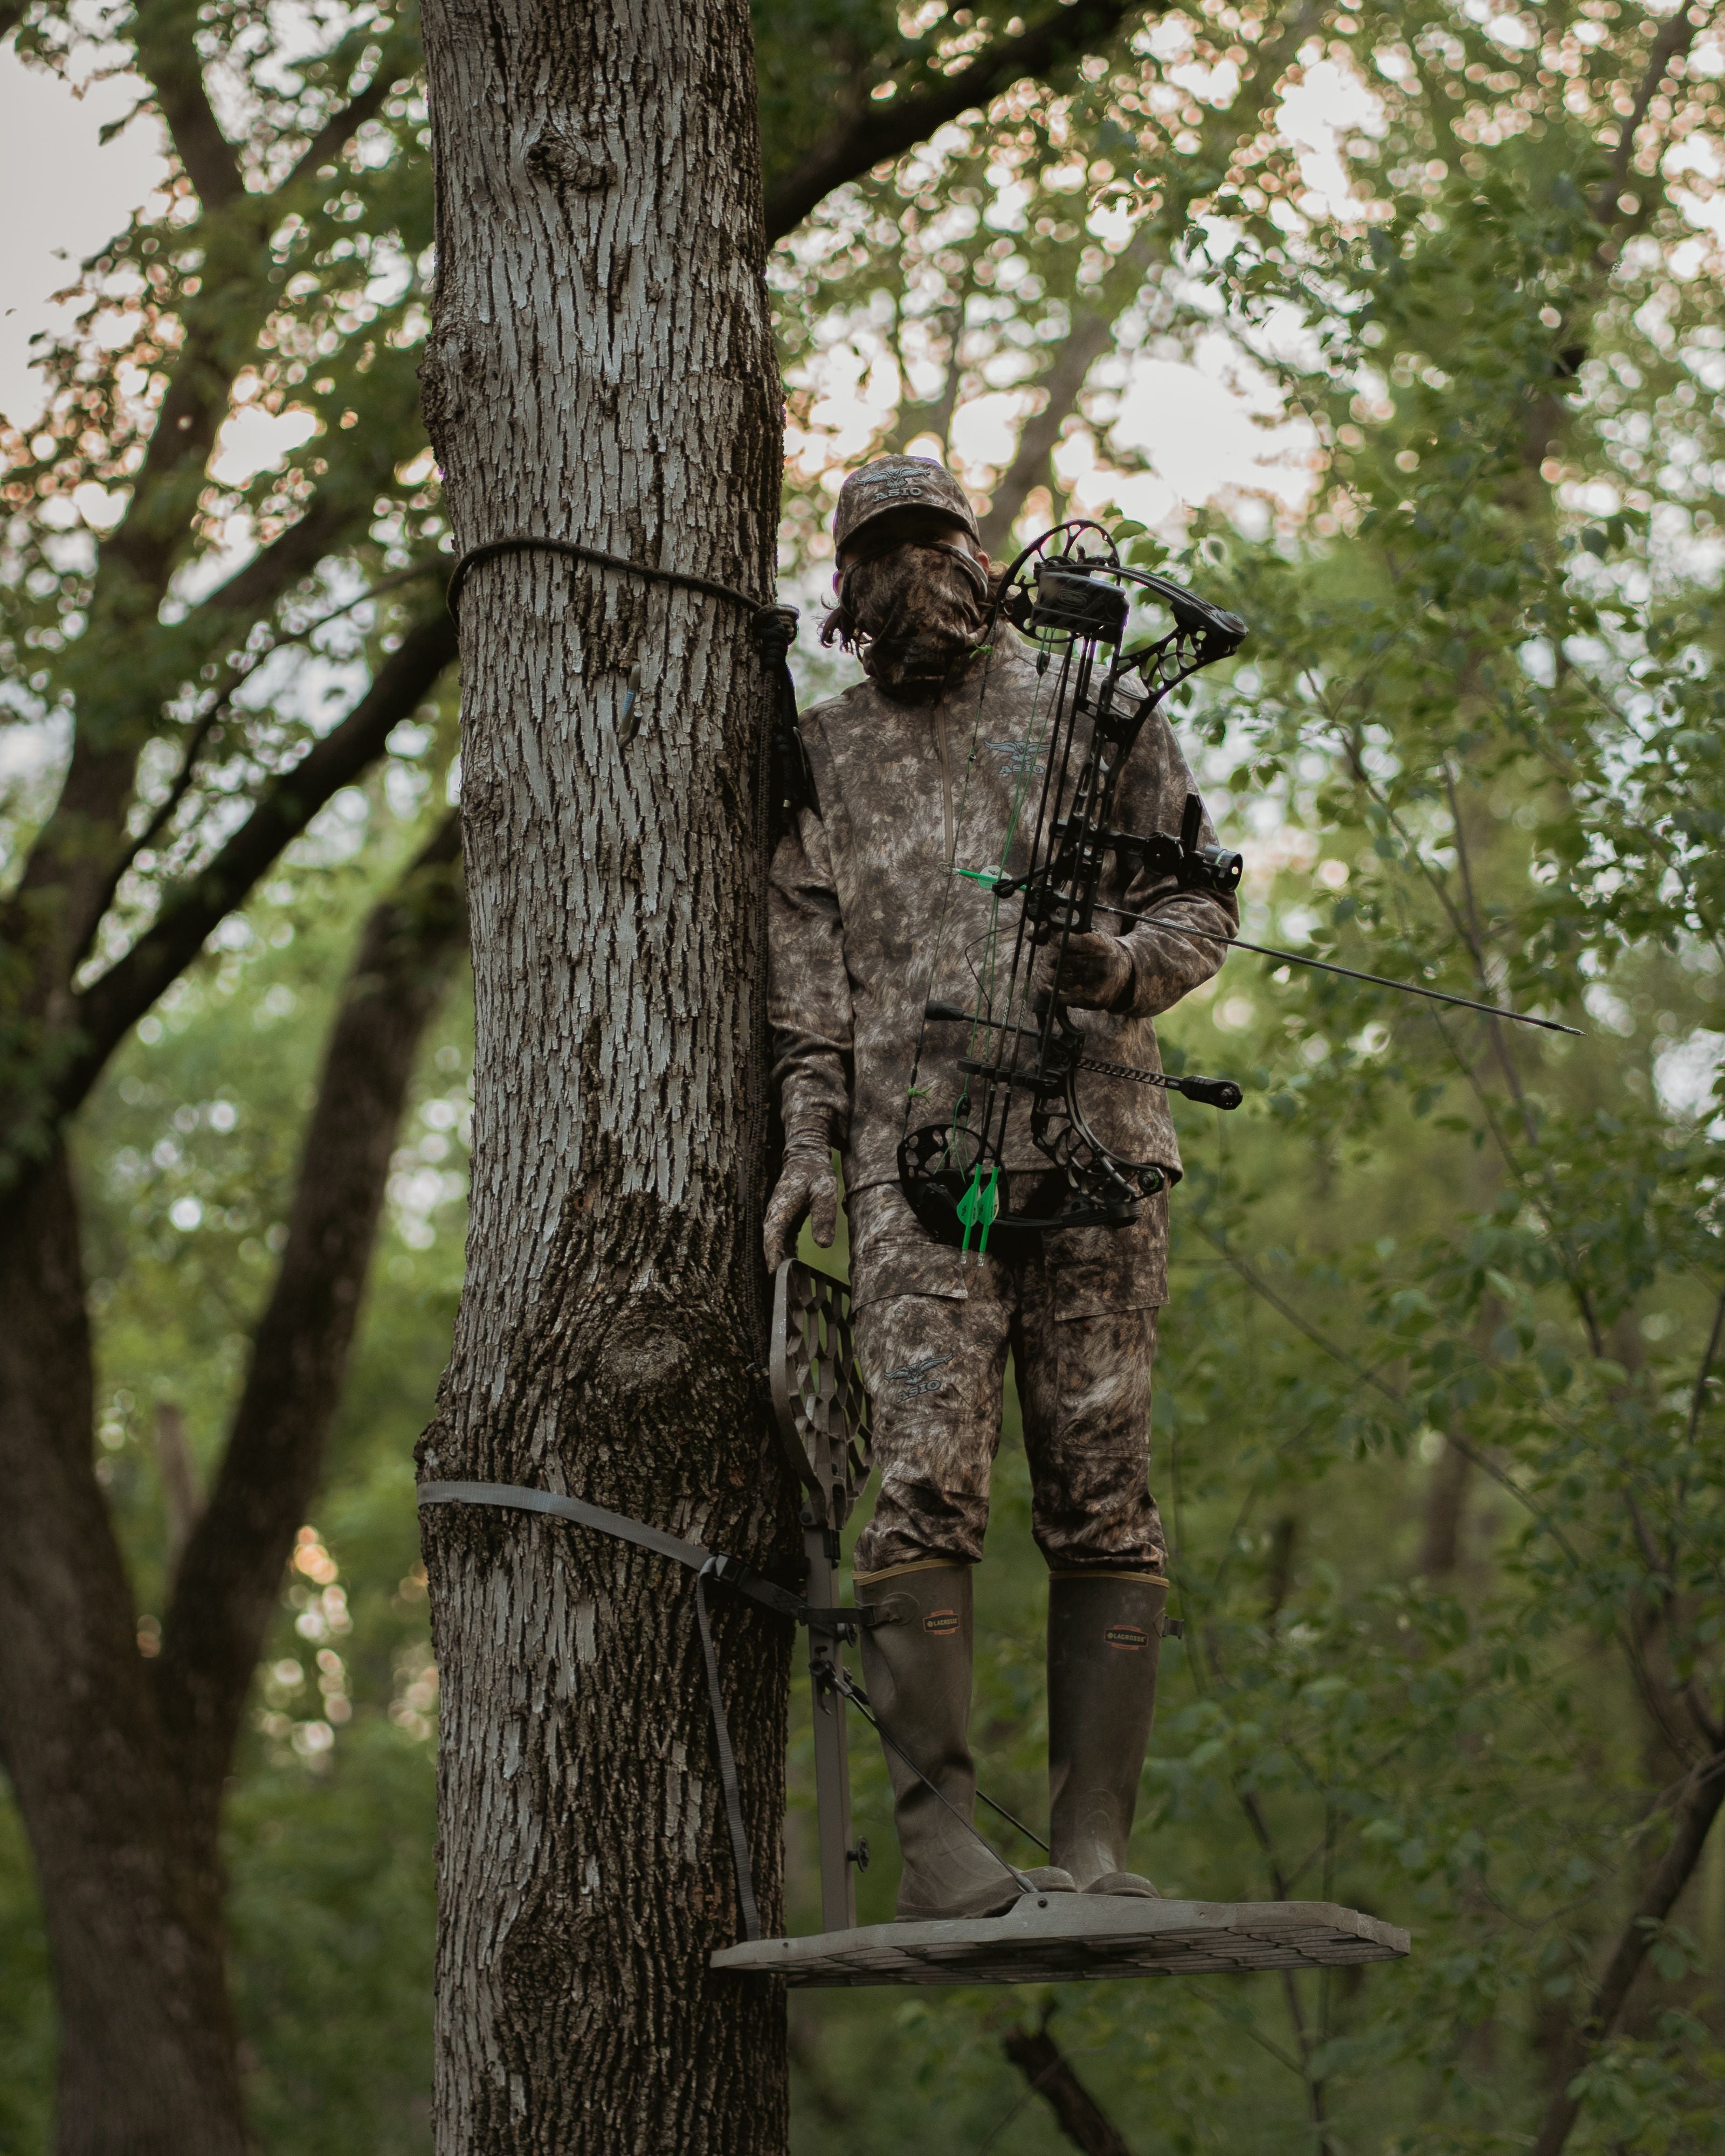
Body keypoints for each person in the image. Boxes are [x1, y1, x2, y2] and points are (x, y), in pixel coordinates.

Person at [765, 455, 1237, 1920]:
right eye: (883, 549)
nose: (918, 572)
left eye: (939, 541)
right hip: (925, 1177)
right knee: (923, 1491)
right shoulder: (825, 756)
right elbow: (806, 985)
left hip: (1100, 1159)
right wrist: (804, 1146)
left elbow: (1199, 891)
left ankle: (1094, 1846)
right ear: (843, 591)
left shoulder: (1104, 710)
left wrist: (1128, 966)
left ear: (985, 560)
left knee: (1105, 1494)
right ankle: (941, 1846)